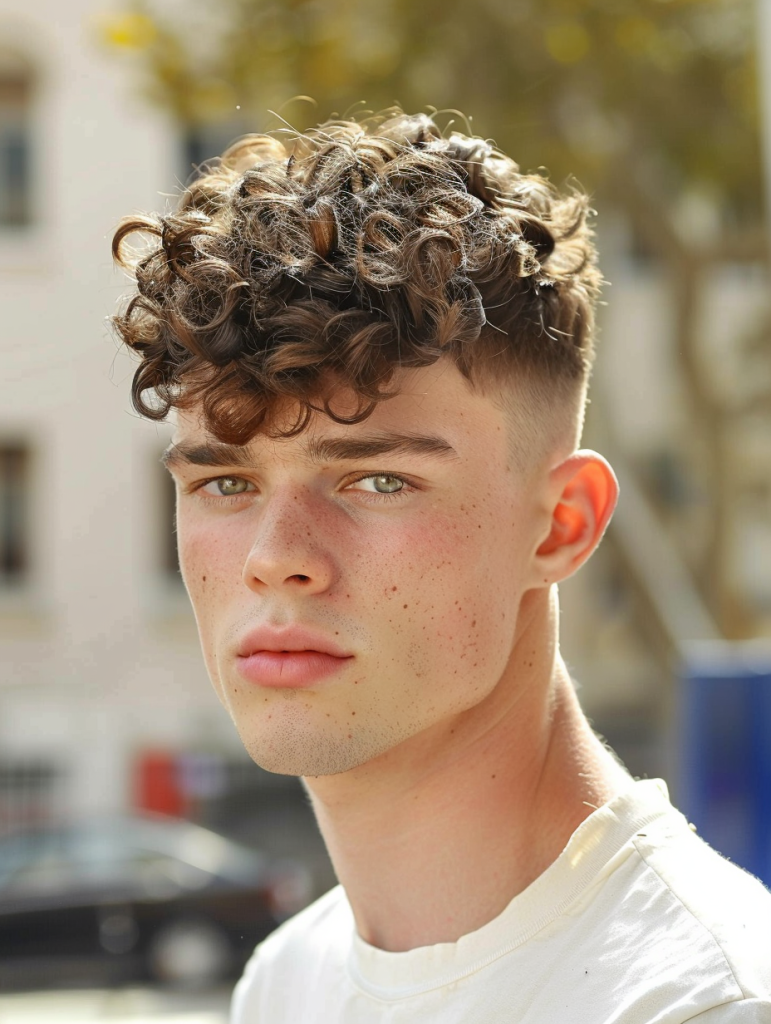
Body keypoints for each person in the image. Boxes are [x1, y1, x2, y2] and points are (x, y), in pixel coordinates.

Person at [111, 111, 771, 1022]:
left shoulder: (697, 1001)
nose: (275, 560)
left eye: (378, 479)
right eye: (225, 483)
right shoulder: (287, 982)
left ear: (560, 526)